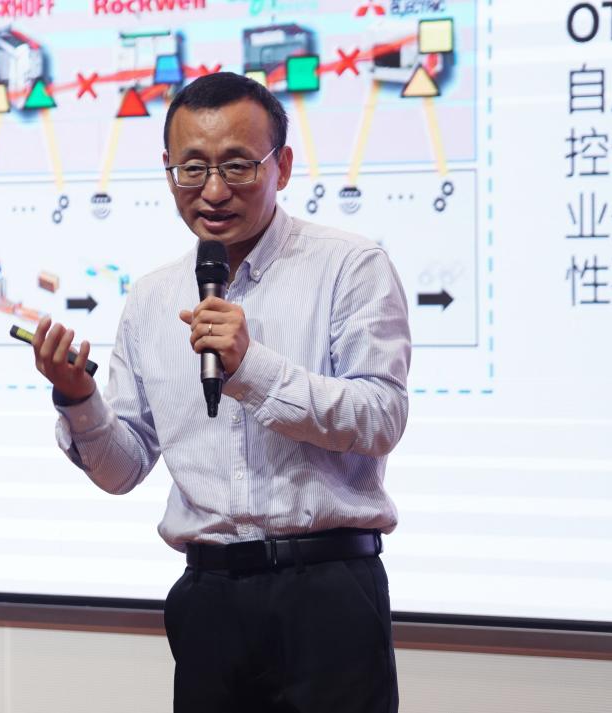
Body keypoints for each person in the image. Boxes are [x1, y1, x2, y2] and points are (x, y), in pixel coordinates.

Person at [29, 72, 410, 712]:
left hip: (328, 593)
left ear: (282, 166)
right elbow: (123, 470)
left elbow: (380, 417)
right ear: (168, 170)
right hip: (207, 601)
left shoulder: (350, 266)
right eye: (192, 169)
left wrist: (250, 368)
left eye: (237, 166)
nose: (212, 191)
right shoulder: (152, 298)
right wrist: (77, 398)